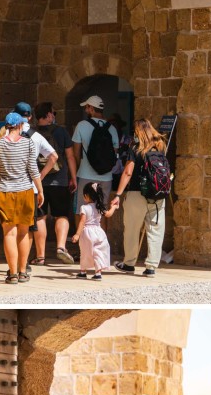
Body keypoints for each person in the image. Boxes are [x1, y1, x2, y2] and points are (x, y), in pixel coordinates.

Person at [0, 112, 44, 284]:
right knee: (24, 232)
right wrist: (40, 191)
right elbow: (34, 170)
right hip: (25, 191)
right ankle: (22, 271)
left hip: (4, 191)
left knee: (9, 234)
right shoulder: (27, 143)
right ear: (20, 125)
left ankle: (12, 274)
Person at [111, 118, 167, 277]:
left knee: (131, 230)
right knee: (155, 230)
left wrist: (118, 194)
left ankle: (129, 264)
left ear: (138, 132)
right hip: (157, 195)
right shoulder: (160, 147)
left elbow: (128, 172)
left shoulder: (135, 149)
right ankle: (151, 267)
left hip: (137, 193)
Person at [12, 102, 58, 271]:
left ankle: (13, 262)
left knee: (12, 227)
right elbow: (54, 156)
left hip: (10, 187)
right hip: (30, 187)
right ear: (30, 117)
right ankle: (23, 264)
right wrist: (41, 176)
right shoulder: (36, 136)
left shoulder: (6, 134)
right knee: (29, 227)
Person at [32, 102, 75, 265]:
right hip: (60, 180)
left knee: (39, 217)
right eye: (53, 113)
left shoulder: (32, 133)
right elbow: (70, 156)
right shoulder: (61, 132)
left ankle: (40, 256)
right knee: (61, 214)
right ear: (49, 115)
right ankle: (61, 247)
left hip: (37, 181)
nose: (54, 116)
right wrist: (73, 177)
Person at [70, 95, 119, 223]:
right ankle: (100, 240)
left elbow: (76, 152)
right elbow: (114, 153)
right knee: (101, 211)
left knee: (81, 210)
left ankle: (81, 240)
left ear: (91, 108)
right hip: (106, 177)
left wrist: (78, 167)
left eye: (86, 107)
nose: (86, 110)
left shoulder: (81, 125)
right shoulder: (112, 128)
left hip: (86, 174)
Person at [71, 182, 117, 280]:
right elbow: (108, 214)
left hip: (87, 233)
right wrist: (114, 207)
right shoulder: (99, 207)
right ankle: (98, 273)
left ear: (86, 196)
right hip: (99, 232)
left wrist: (77, 234)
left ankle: (83, 272)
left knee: (85, 252)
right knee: (98, 252)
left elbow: (82, 222)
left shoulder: (84, 208)